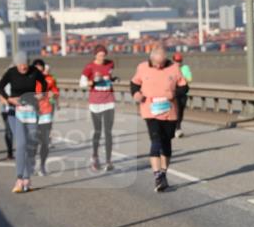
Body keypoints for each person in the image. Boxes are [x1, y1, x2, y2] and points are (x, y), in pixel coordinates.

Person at [131, 45, 188, 192]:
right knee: (155, 139)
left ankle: (163, 173)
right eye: (157, 63)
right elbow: (134, 84)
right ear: (151, 59)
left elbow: (184, 87)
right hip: (150, 111)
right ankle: (157, 176)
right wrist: (136, 94)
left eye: (162, 63)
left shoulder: (174, 68)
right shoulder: (142, 67)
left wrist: (174, 94)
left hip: (169, 111)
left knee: (166, 141)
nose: (159, 66)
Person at [0, 52, 47, 193]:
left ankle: (27, 178)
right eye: (20, 65)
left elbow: (43, 84)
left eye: (25, 64)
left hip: (31, 112)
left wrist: (41, 94)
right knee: (21, 144)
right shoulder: (11, 73)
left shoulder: (34, 71)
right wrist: (9, 99)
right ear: (16, 64)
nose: (23, 67)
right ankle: (19, 179)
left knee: (31, 146)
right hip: (15, 113)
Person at [80, 44, 117, 172]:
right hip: (95, 103)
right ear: (95, 55)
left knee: (108, 132)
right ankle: (95, 156)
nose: (102, 57)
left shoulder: (110, 64)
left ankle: (108, 161)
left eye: (103, 55)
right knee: (98, 131)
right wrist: (94, 82)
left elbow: (110, 77)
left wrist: (113, 79)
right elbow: (82, 84)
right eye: (100, 55)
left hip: (109, 101)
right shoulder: (90, 67)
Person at [31, 59, 60, 176]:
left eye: (40, 68)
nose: (39, 70)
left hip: (46, 112)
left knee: (45, 141)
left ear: (43, 68)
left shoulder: (49, 79)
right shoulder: (28, 80)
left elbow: (56, 92)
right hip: (32, 113)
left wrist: (54, 95)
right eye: (36, 68)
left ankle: (42, 166)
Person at [173, 52, 193, 137]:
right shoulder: (170, 68)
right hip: (174, 93)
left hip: (183, 92)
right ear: (173, 61)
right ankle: (177, 129)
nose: (178, 62)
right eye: (177, 61)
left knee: (181, 111)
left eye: (180, 60)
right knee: (176, 110)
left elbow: (190, 78)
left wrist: (182, 78)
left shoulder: (185, 68)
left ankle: (177, 126)